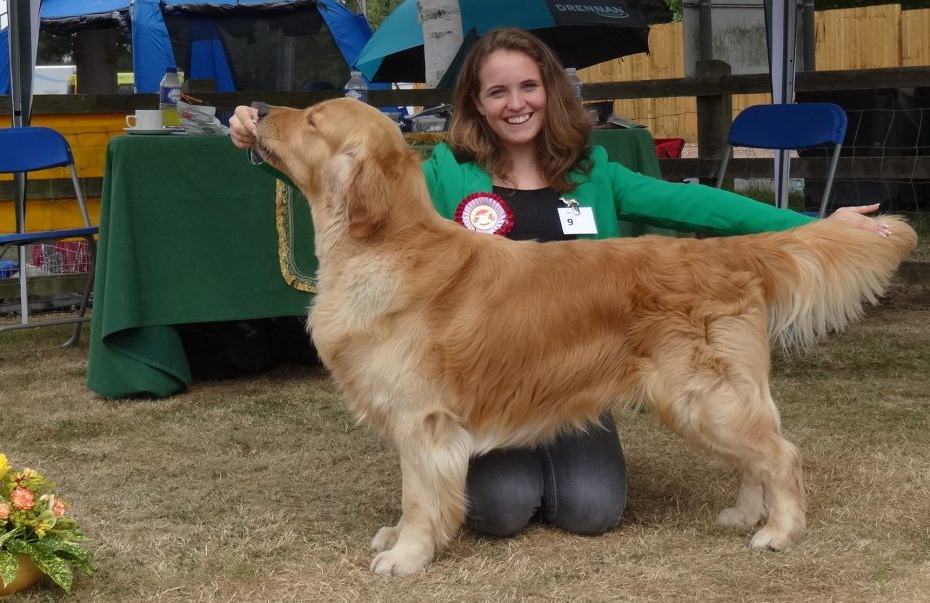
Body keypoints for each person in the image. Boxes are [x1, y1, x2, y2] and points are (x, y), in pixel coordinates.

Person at [228, 28, 889, 539]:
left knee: (591, 508)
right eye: (497, 92)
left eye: (527, 87)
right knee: (502, 507)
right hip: (492, 381)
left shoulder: (596, 171)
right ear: (478, 104)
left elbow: (704, 210)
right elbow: (351, 190)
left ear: (549, 91)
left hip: (585, 369)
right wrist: (264, 146)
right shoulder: (445, 177)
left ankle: (774, 484)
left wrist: (808, 225)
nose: (515, 103)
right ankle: (454, 498)